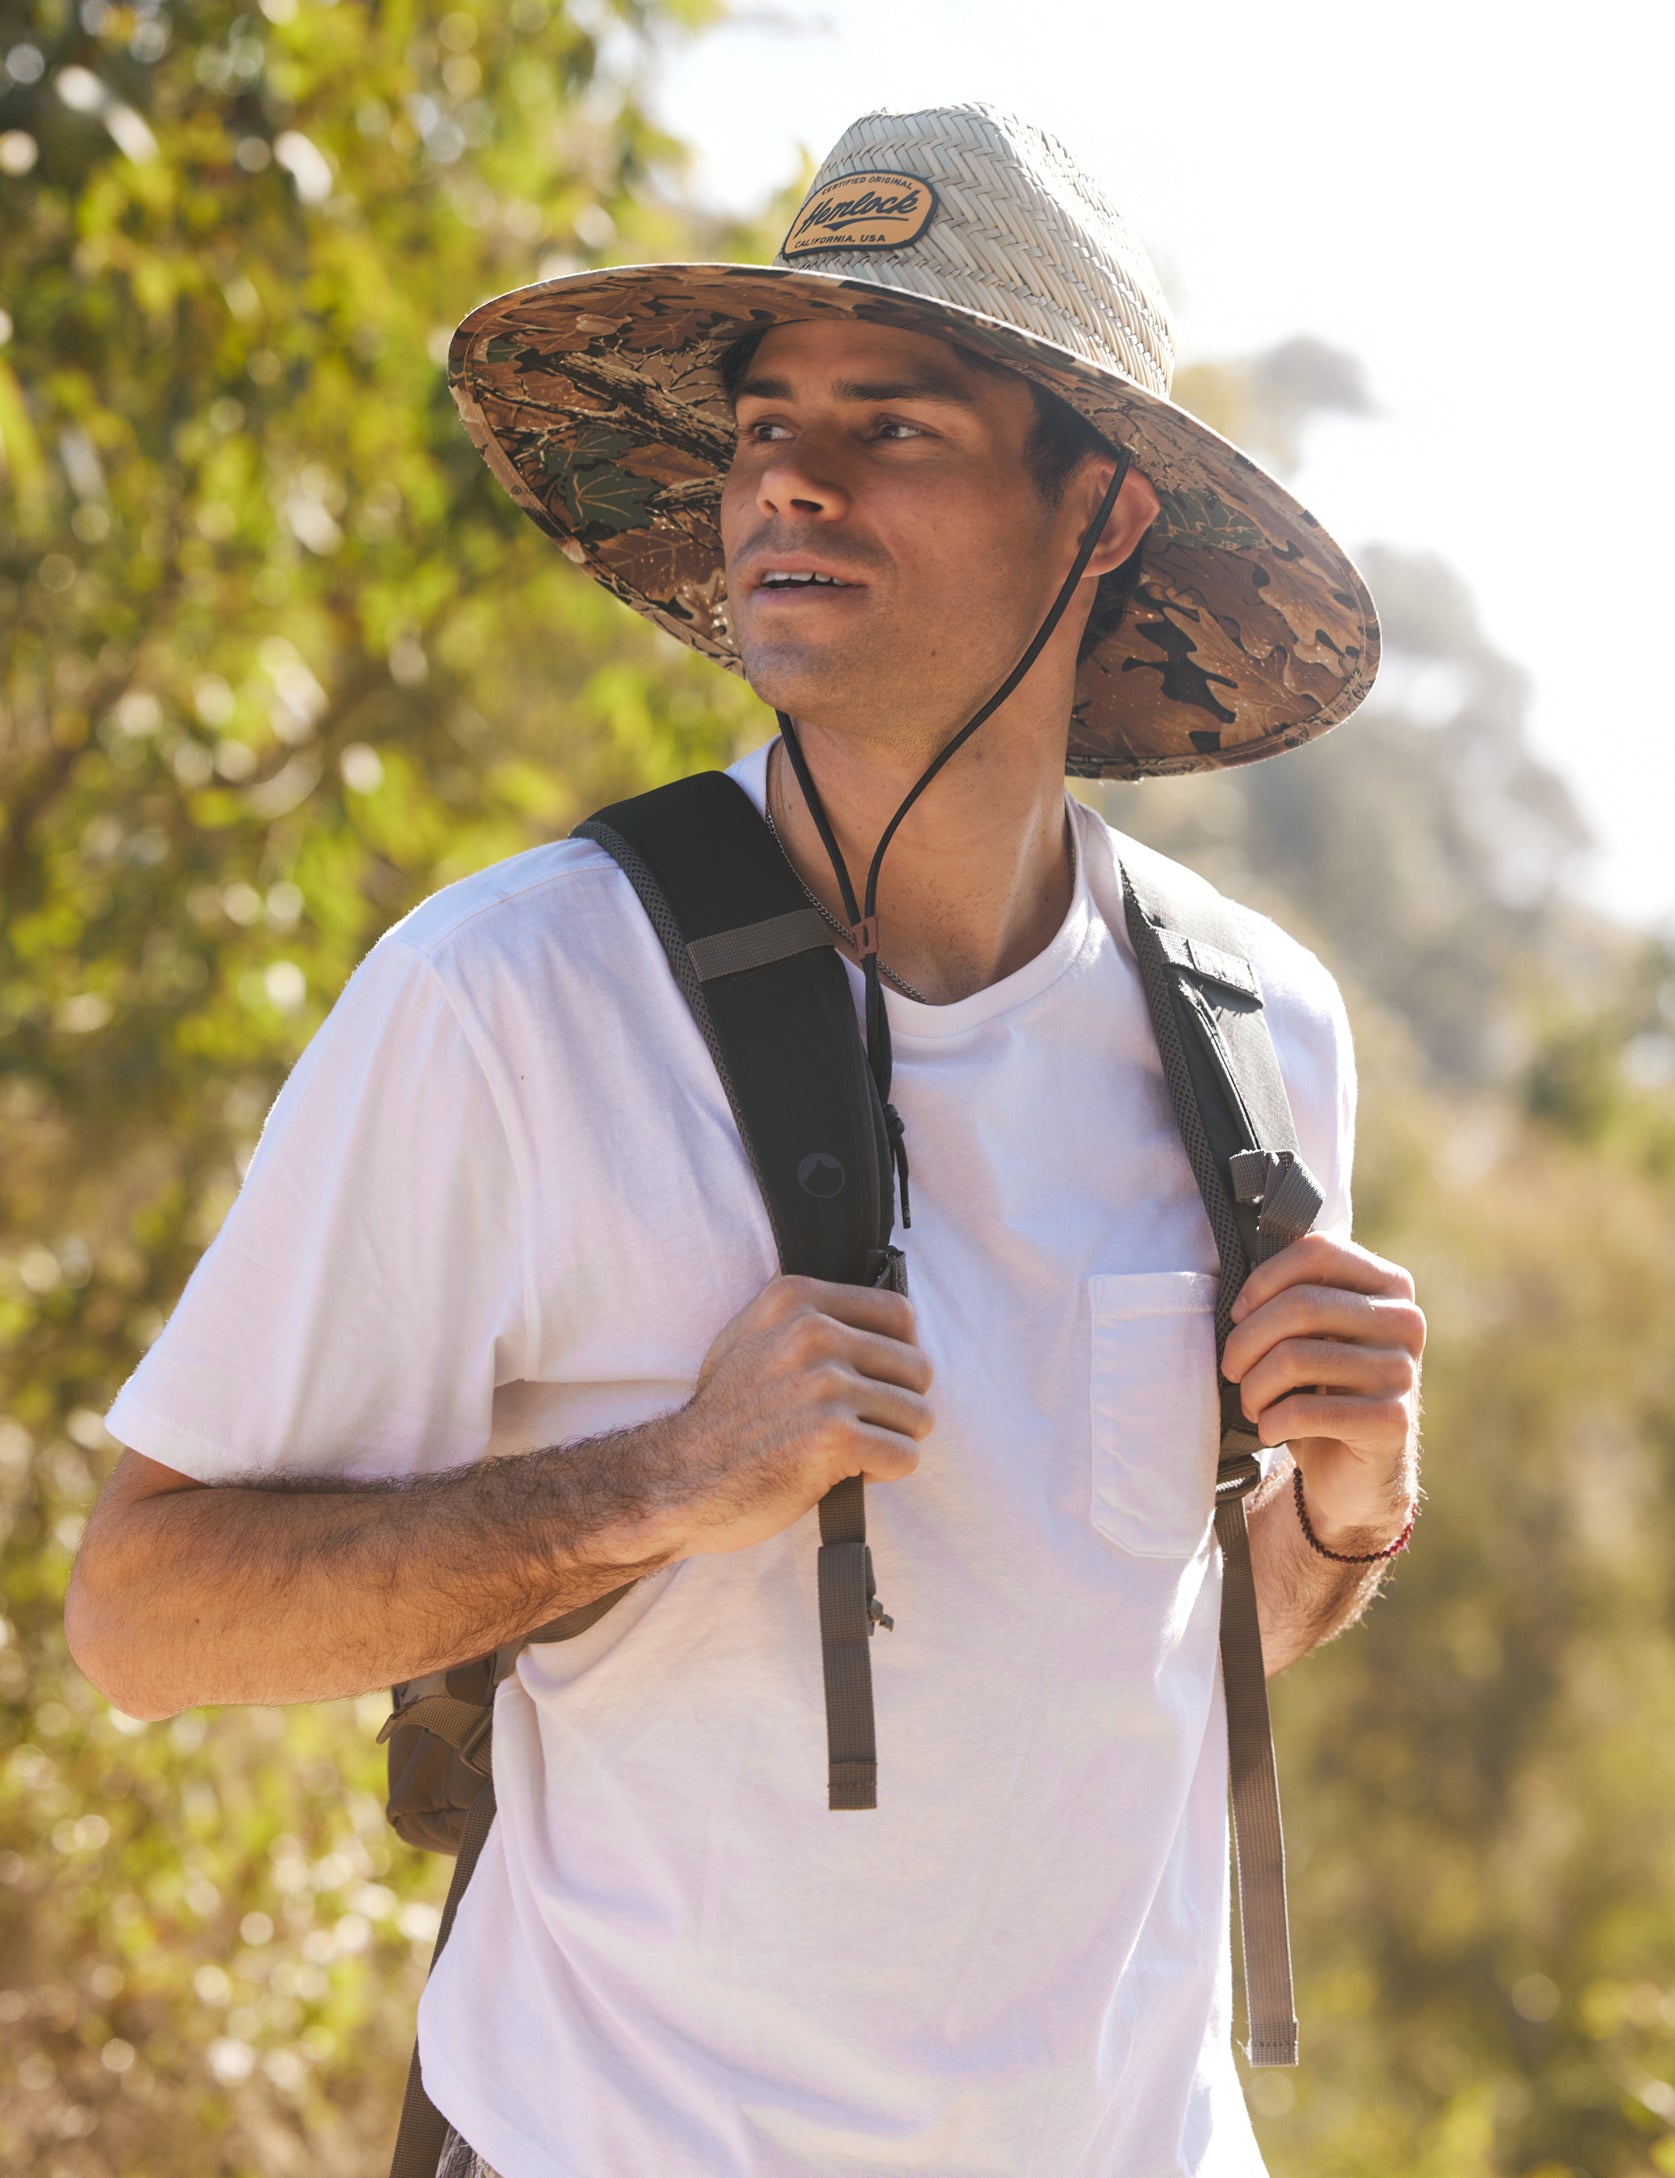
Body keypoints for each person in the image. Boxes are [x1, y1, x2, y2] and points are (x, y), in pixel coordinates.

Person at [68, 103, 1424, 2178]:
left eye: (894, 424)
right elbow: (148, 1613)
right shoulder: (508, 998)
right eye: (765, 418)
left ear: (1105, 515)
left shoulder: (1256, 1037)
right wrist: (662, 1481)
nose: (786, 473)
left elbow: (1146, 1636)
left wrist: (1340, 1505)